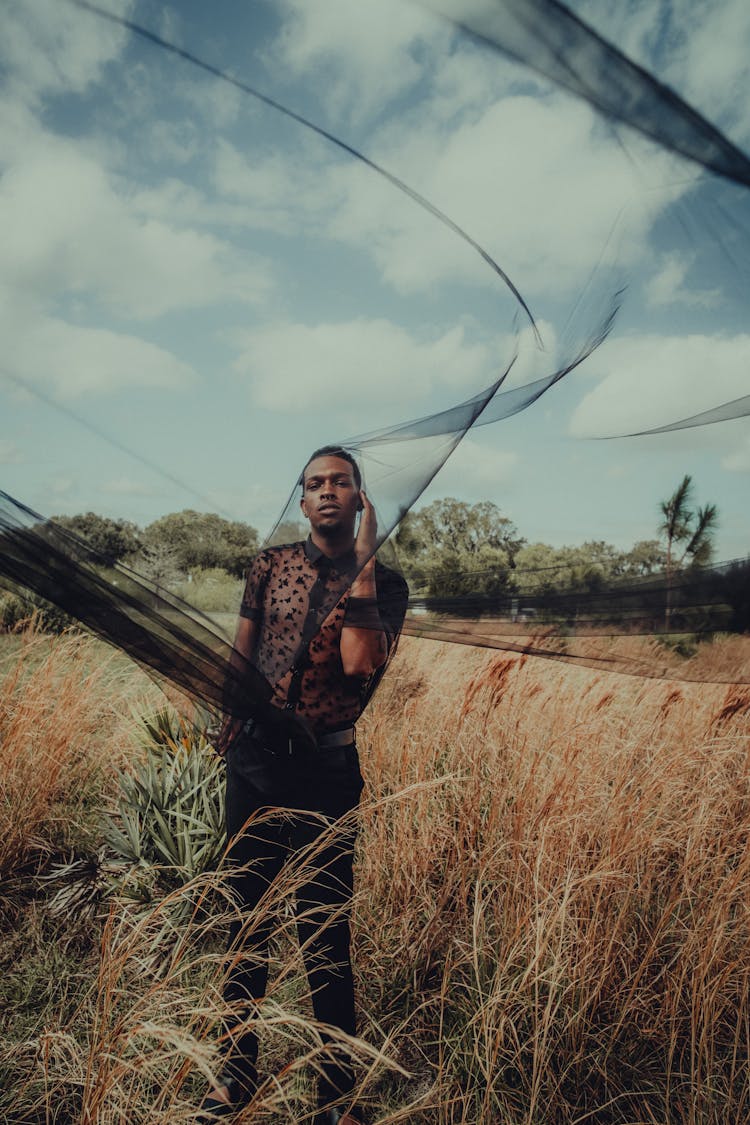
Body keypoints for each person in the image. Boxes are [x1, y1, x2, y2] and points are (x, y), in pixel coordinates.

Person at [202, 446, 409, 1124]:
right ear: (302, 499)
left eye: (340, 483)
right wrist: (230, 715)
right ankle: (233, 1079)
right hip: (257, 766)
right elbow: (243, 651)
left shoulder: (388, 583)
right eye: (315, 483)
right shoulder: (269, 565)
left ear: (360, 498)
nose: (327, 492)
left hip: (326, 771)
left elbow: (356, 661)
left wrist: (368, 554)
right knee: (245, 922)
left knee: (324, 931)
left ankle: (338, 1100)